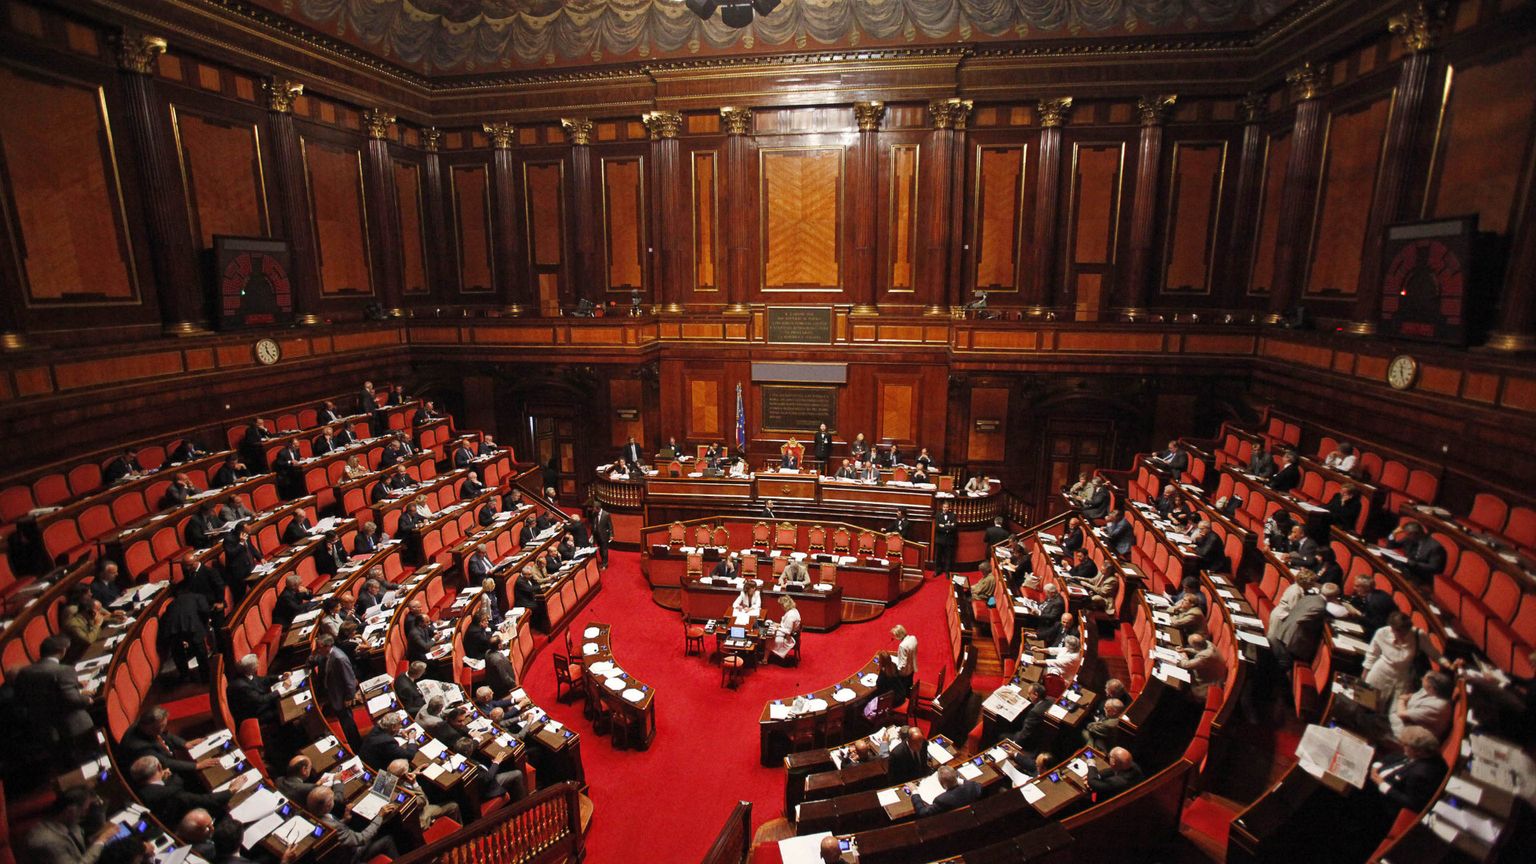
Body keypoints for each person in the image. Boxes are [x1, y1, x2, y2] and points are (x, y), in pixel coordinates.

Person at [16, 634, 95, 761]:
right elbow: (72, 700)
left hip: (43, 728)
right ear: (62, 651)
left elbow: (23, 697)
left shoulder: (24, 672)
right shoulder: (64, 671)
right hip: (71, 727)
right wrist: (86, 700)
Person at [21, 786, 117, 864]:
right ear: (70, 811)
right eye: (85, 810)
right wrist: (101, 841)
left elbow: (79, 844)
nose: (85, 814)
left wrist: (97, 838)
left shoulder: (65, 822)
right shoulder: (47, 842)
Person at [130, 755, 238, 825]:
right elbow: (205, 800)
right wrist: (230, 791)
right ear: (159, 767)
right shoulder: (172, 795)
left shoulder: (138, 790)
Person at [1364, 612, 1441, 706]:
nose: (1399, 635)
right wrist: (1364, 678)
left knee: (1391, 710)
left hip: (1402, 679)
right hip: (1380, 674)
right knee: (1367, 704)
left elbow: (1435, 654)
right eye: (1396, 631)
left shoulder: (1418, 635)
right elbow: (1371, 656)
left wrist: (1450, 665)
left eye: (1403, 632)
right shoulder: (1382, 632)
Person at [1368, 725, 1448, 815]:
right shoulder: (1425, 754)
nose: (1403, 747)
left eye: (1405, 745)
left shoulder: (1420, 774)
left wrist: (1381, 784)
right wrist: (1376, 766)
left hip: (1380, 802)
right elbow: (1397, 757)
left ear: (1419, 751)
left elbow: (1411, 803)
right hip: (1378, 777)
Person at [306, 785, 398, 862]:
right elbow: (361, 839)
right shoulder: (335, 827)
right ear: (327, 806)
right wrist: (380, 816)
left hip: (339, 853)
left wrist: (345, 819)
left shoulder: (312, 817)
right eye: (332, 799)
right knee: (387, 839)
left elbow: (334, 830)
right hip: (351, 857)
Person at [1270, 583, 1339, 667]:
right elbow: (1302, 619)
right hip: (1292, 641)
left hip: (1284, 633)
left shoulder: (1309, 597)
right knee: (1283, 668)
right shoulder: (1320, 607)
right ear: (1333, 597)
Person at [163, 580, 212, 684]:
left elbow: (166, 618)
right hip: (193, 625)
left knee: (178, 652)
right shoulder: (198, 597)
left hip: (173, 629)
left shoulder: (171, 604)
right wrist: (204, 624)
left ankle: (184, 675)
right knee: (200, 651)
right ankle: (205, 676)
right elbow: (205, 611)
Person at [317, 634, 362, 748]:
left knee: (347, 722)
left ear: (327, 646)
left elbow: (349, 680)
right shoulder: (328, 654)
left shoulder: (339, 658)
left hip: (341, 697)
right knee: (344, 720)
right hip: (334, 692)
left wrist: (348, 697)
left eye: (319, 647)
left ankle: (356, 746)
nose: (318, 649)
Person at [1392, 671, 1455, 739]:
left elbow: (1401, 714)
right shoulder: (1430, 690)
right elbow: (1412, 696)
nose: (1421, 679)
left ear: (1432, 688)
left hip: (1414, 736)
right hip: (1405, 715)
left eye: (1424, 678)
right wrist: (1405, 698)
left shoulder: (1437, 706)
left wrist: (1401, 700)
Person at [1383, 521, 1446, 586]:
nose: (1406, 536)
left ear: (1415, 534)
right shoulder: (1409, 538)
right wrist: (1393, 533)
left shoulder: (1435, 547)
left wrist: (1415, 564)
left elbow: (1434, 567)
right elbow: (1392, 546)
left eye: (1408, 534)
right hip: (1407, 569)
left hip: (1421, 577)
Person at [227, 653, 281, 725]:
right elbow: (260, 700)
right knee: (281, 709)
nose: (258, 666)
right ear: (251, 669)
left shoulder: (246, 673)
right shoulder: (243, 687)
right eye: (256, 665)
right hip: (252, 715)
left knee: (278, 701)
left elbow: (262, 680)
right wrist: (280, 690)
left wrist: (279, 677)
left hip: (255, 706)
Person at [908, 765, 982, 816]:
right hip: (973, 814)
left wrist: (914, 792)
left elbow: (922, 812)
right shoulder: (971, 786)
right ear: (956, 776)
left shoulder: (942, 800)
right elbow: (977, 786)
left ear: (942, 784)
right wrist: (954, 779)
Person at [1177, 633, 1227, 700]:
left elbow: (1186, 665)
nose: (1192, 647)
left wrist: (1183, 656)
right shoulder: (1207, 643)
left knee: (1183, 677)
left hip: (1209, 684)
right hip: (1212, 673)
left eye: (1192, 646)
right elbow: (1198, 650)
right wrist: (1185, 650)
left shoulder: (1206, 656)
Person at [1004, 683, 1052, 748]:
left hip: (1030, 743)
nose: (1028, 696)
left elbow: (1024, 735)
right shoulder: (1050, 701)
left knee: (1002, 736)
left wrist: (1015, 742)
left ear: (1036, 695)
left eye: (1029, 694)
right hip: (1042, 739)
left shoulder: (1034, 712)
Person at [890, 625, 918, 702]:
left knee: (900, 687)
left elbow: (903, 664)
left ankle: (902, 702)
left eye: (895, 636)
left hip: (904, 673)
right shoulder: (913, 638)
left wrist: (896, 670)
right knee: (909, 685)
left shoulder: (902, 646)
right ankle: (909, 698)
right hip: (912, 668)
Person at [771, 596, 800, 661]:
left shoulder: (790, 616)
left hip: (788, 637)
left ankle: (766, 658)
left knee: (769, 637)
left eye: (781, 605)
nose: (781, 607)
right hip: (788, 632)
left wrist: (777, 628)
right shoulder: (794, 610)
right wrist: (778, 625)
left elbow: (788, 631)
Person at [934, 501, 958, 576]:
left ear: (949, 508)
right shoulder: (938, 515)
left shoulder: (953, 515)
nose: (945, 509)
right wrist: (948, 526)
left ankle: (947, 572)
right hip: (940, 539)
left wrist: (943, 526)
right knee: (938, 556)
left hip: (949, 540)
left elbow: (954, 527)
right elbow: (937, 527)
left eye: (947, 507)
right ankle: (938, 570)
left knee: (948, 556)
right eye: (944, 507)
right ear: (942, 507)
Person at [591, 503, 613, 568]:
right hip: (597, 535)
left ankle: (605, 564)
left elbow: (610, 526)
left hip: (604, 535)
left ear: (598, 508)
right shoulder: (594, 514)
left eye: (594, 508)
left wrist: (611, 535)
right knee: (600, 549)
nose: (593, 510)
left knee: (604, 550)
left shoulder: (606, 514)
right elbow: (593, 523)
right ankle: (603, 561)